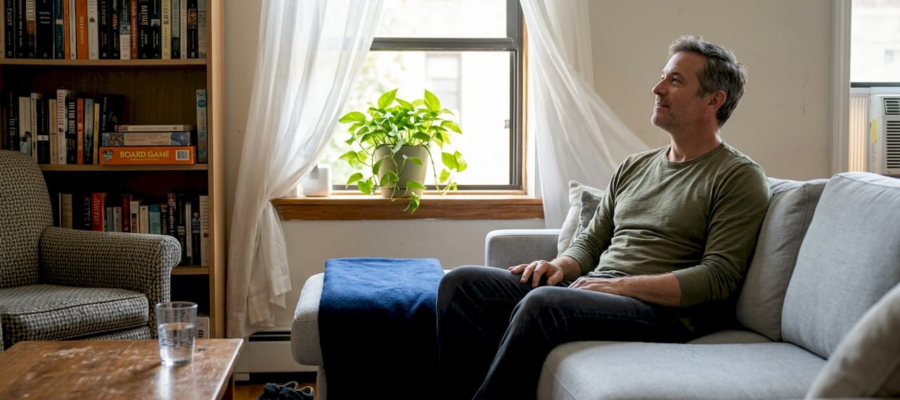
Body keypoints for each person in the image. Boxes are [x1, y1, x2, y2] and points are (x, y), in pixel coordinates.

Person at [436, 36, 771, 400]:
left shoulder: (737, 176)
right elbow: (593, 241)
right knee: (463, 283)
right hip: (599, 291)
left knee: (544, 304)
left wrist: (621, 286)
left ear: (713, 99)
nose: (657, 89)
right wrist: (560, 266)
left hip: (662, 311)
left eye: (675, 81)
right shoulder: (634, 166)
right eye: (663, 77)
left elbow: (718, 277)